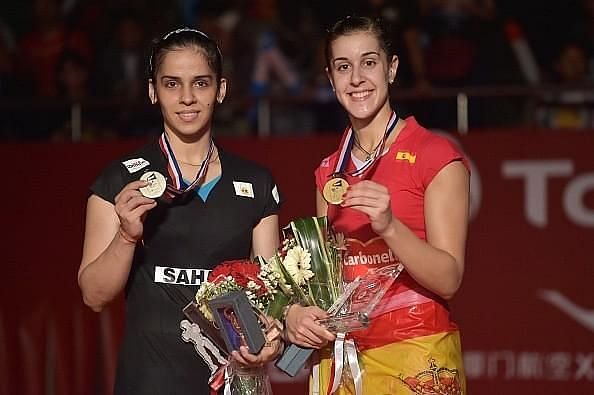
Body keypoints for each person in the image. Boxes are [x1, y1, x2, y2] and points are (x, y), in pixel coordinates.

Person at [78, 28, 283, 394]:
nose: (187, 98)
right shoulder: (120, 179)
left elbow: (270, 298)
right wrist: (126, 236)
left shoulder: (257, 182)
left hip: (231, 384)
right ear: (153, 91)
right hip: (149, 382)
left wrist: (271, 339)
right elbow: (94, 296)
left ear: (221, 89)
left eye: (200, 83)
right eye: (172, 84)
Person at [284, 16, 469, 394]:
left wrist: (389, 226)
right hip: (341, 360)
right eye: (343, 66)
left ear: (392, 67)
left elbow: (449, 280)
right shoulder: (327, 172)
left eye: (369, 62)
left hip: (416, 354)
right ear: (331, 78)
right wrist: (295, 313)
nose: (356, 78)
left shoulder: (436, 156)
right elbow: (325, 282)